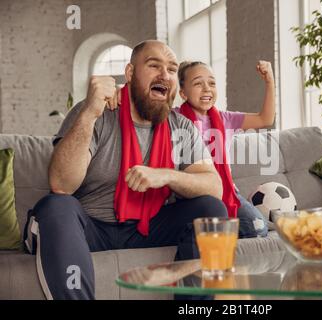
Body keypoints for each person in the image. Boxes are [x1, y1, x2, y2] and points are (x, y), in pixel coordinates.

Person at [28, 40, 228, 300]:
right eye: (154, 65)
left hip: (148, 228)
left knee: (211, 210)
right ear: (130, 73)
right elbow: (61, 183)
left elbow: (215, 187)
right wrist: (89, 113)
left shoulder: (181, 126)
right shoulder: (96, 113)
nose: (164, 75)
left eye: (171, 69)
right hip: (92, 228)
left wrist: (165, 174)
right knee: (56, 206)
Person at [174, 60, 276, 238]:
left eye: (212, 83)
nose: (207, 88)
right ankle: (212, 230)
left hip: (227, 191)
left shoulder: (226, 118)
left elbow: (265, 119)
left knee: (257, 227)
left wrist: (269, 81)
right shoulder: (174, 118)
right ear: (183, 93)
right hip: (193, 194)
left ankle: (215, 231)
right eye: (198, 83)